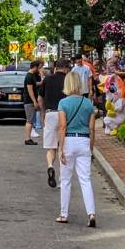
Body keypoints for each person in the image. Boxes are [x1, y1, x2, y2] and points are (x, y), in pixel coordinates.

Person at [54, 72, 98, 226]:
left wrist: (60, 148)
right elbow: (92, 129)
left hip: (69, 140)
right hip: (84, 140)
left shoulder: (63, 103)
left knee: (65, 180)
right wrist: (90, 147)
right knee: (85, 179)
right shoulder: (88, 104)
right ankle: (91, 213)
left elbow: (62, 126)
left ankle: (64, 214)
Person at [41, 60, 71, 188]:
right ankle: (60, 179)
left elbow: (40, 98)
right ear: (65, 68)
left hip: (50, 113)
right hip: (63, 114)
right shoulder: (68, 80)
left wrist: (43, 114)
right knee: (62, 146)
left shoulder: (47, 80)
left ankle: (50, 165)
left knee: (50, 147)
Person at [23, 60, 44, 146]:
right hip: (29, 101)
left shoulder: (31, 76)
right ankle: (27, 138)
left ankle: (28, 138)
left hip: (30, 101)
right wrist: (34, 101)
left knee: (31, 120)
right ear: (35, 67)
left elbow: (34, 84)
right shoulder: (29, 76)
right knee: (30, 120)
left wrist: (40, 83)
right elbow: (30, 90)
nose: (39, 69)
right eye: (39, 67)